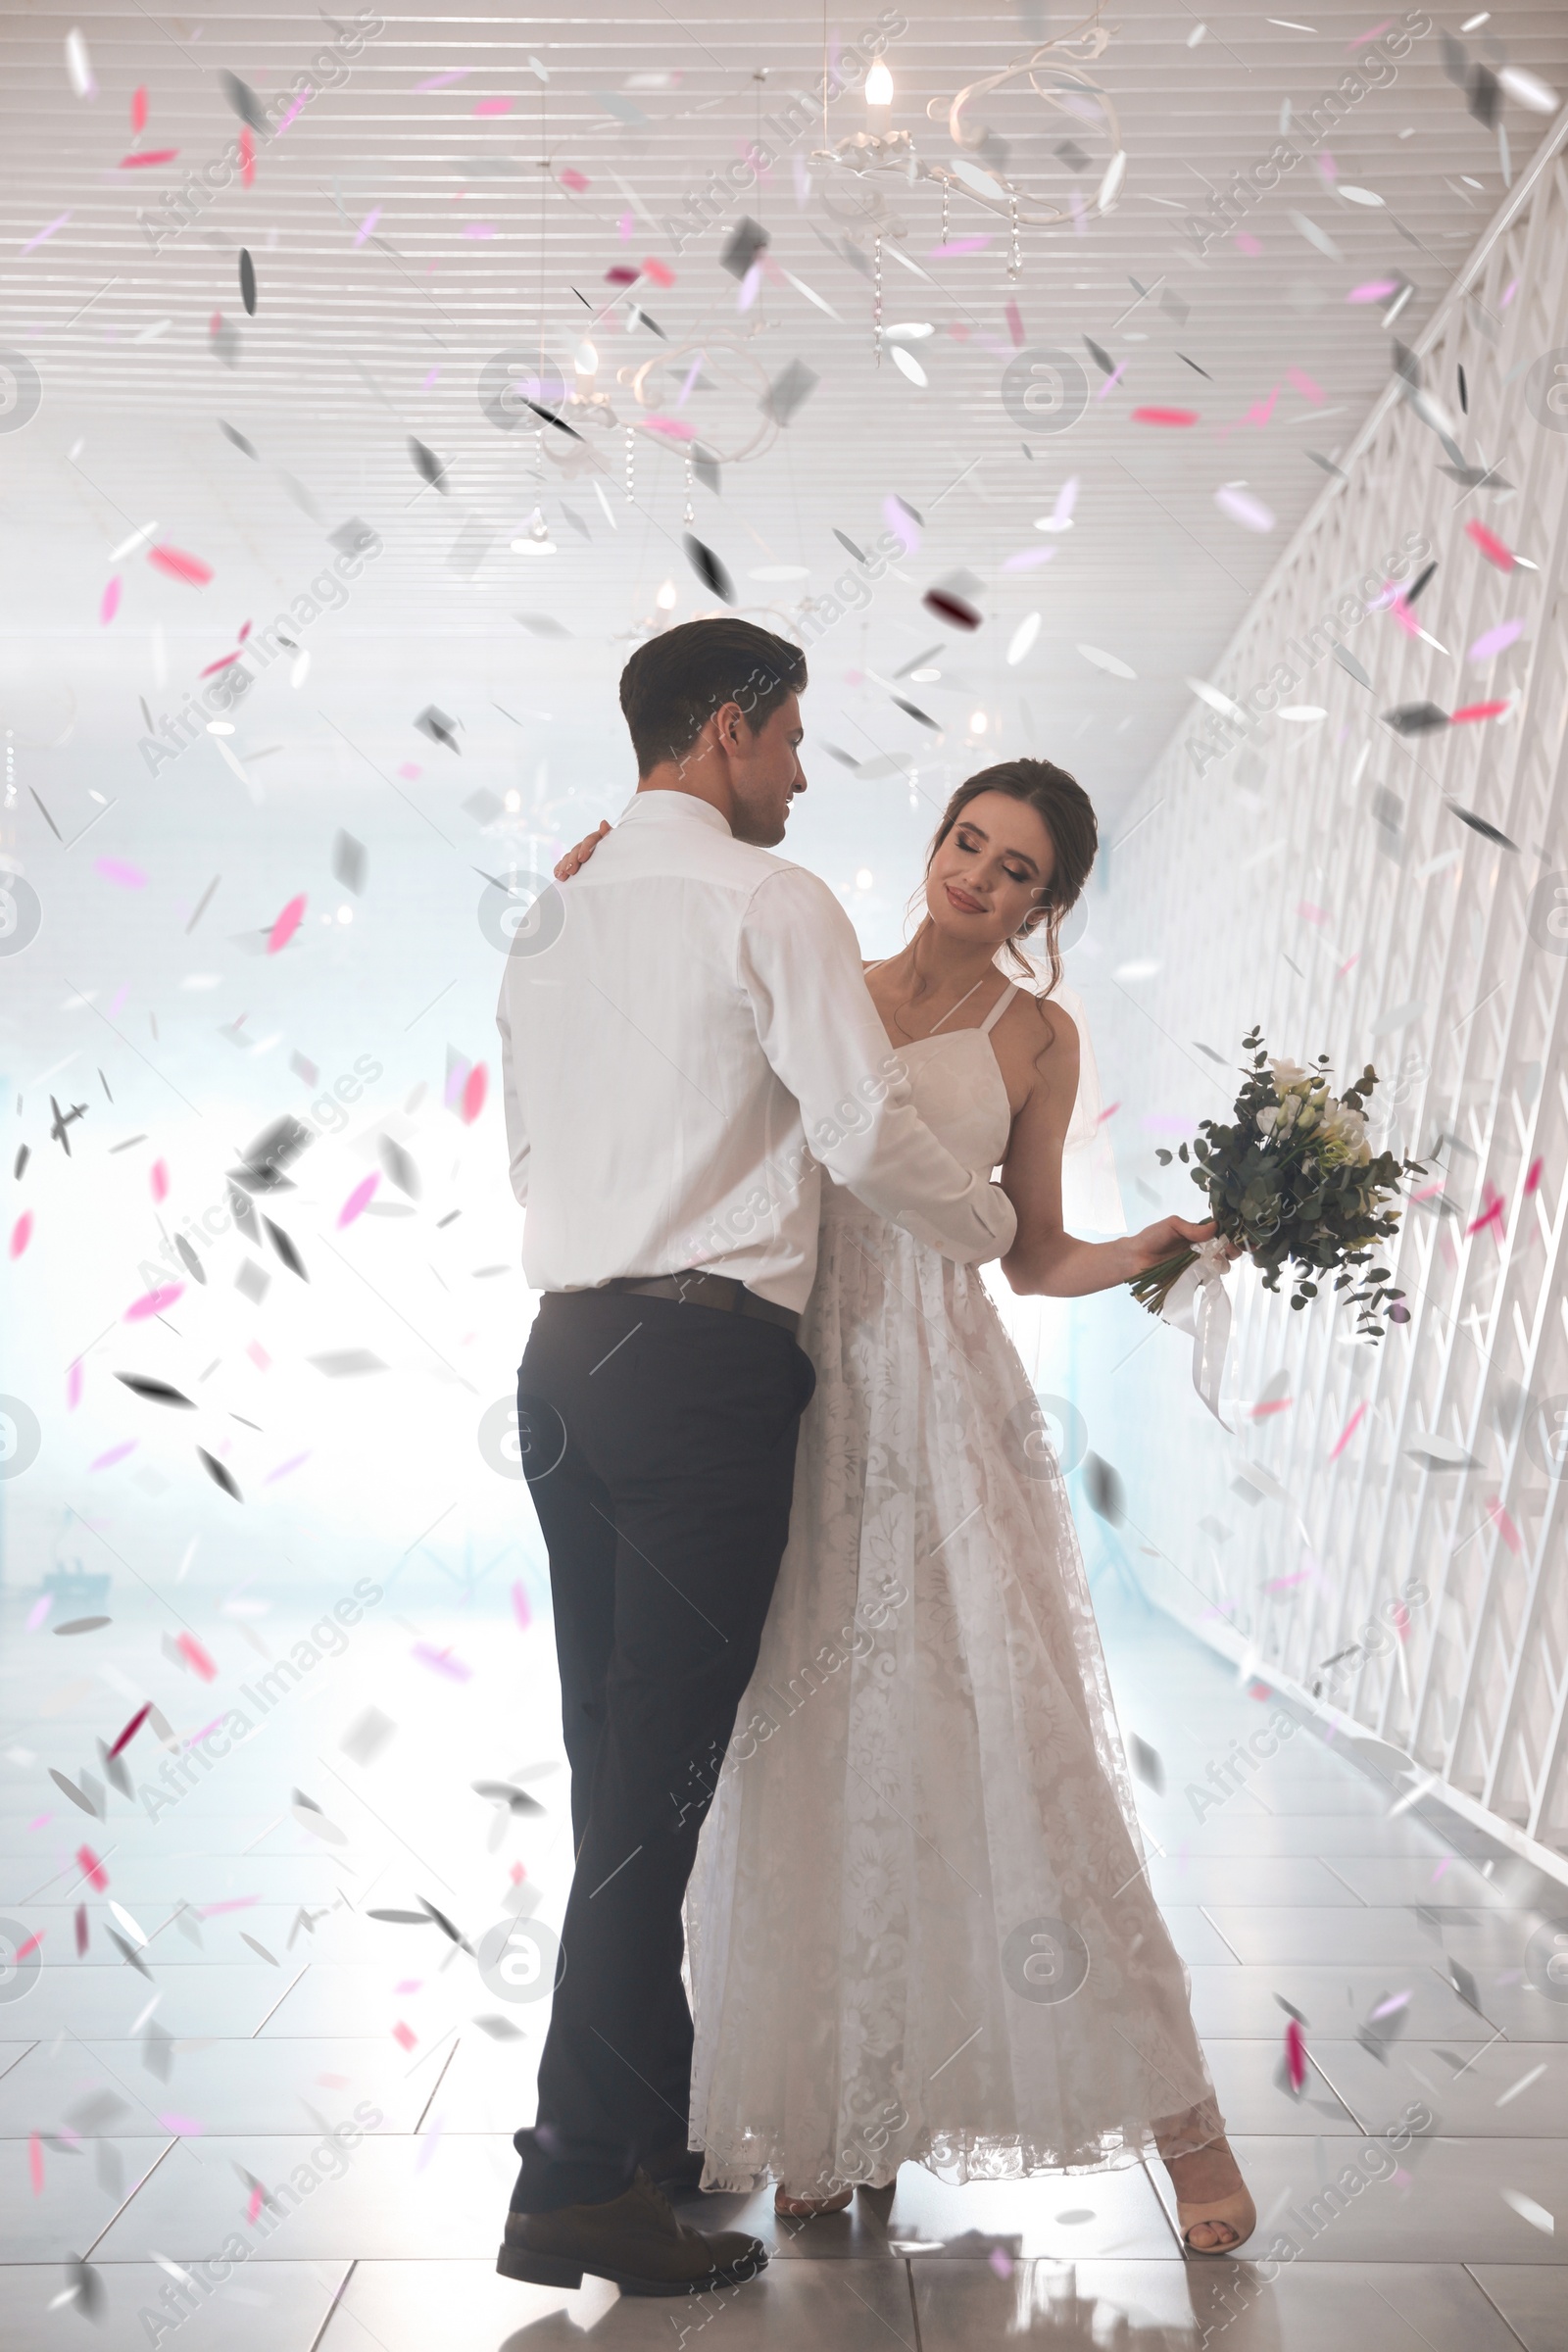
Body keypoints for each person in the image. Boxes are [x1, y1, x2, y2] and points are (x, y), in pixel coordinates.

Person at [558, 757, 1256, 2258]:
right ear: (934, 842)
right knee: (806, 1742)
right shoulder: (820, 969)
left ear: (1047, 907)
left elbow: (1031, 1254)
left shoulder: (1036, 1035)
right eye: (966, 843)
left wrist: (1152, 1249)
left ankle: (1184, 2128)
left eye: (1016, 871)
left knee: (1014, 1732)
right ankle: (829, 2111)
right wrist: (584, 908)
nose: (977, 879)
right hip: (790, 1388)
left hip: (947, 1401)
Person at [493, 619, 1024, 2299]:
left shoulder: (552, 910)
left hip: (566, 1357)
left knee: (615, 1776)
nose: (801, 769)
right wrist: (993, 1220)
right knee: (655, 1802)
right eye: (792, 737)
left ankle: (644, 2141)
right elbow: (864, 1129)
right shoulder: (772, 902)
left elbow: (525, 1137)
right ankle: (575, 2183)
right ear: (727, 729)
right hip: (701, 1369)